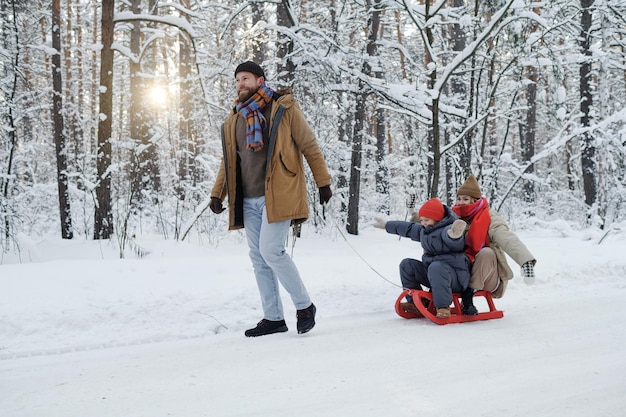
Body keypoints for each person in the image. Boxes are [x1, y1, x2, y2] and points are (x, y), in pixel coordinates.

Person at [209, 61, 333, 337]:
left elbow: (309, 145)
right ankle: (274, 317)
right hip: (248, 199)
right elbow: (228, 162)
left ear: (259, 80)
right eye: (237, 80)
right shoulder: (234, 119)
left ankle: (304, 306)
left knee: (271, 251)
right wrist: (218, 194)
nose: (240, 84)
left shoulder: (283, 109)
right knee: (259, 258)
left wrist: (323, 182)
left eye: (245, 78)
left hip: (279, 194)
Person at [451, 174, 536, 312]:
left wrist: (525, 261)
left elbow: (506, 237)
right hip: (462, 272)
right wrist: (414, 214)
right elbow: (429, 223)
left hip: (489, 277)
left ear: (475, 200)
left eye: (465, 199)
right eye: (459, 198)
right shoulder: (453, 217)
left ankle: (468, 295)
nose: (460, 203)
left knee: (486, 253)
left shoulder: (489, 217)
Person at [374, 198, 470, 318]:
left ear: (438, 219)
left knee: (436, 267)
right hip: (434, 275)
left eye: (427, 220)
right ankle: (415, 303)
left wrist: (454, 235)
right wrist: (386, 225)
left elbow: (453, 240)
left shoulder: (447, 229)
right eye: (422, 220)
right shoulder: (424, 231)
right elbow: (408, 229)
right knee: (407, 265)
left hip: (455, 278)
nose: (423, 223)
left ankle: (443, 307)